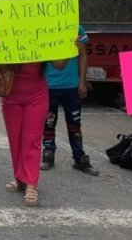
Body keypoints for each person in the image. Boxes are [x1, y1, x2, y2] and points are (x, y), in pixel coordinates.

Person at [0, 37, 68, 207]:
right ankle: (19, 177)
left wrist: (68, 46)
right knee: (15, 138)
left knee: (32, 138)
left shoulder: (42, 33)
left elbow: (60, 65)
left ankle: (31, 183)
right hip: (10, 91)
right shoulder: (8, 28)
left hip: (36, 94)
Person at [41, 25, 99, 175]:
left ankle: (79, 156)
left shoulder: (76, 28)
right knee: (48, 121)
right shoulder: (42, 27)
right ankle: (48, 153)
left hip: (71, 85)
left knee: (74, 123)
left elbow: (83, 55)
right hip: (49, 85)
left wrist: (82, 81)